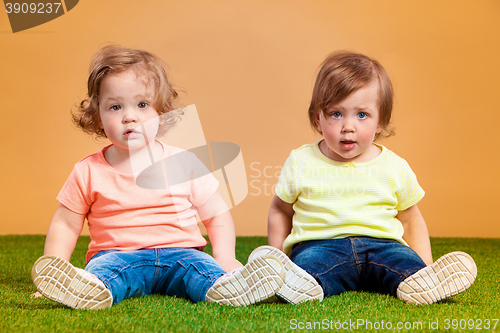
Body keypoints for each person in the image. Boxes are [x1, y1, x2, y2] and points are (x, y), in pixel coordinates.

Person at [31, 45, 290, 309]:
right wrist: (55, 268)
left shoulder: (184, 162)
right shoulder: (88, 171)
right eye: (115, 107)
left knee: (203, 272)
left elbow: (216, 214)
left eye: (142, 105)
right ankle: (86, 289)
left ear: (161, 112)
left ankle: (225, 286)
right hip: (118, 256)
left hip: (183, 254)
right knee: (105, 273)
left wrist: (225, 257)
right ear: (98, 117)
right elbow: (65, 223)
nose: (129, 117)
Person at [250, 51, 477, 305]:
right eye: (336, 114)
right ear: (318, 118)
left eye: (362, 115)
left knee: (402, 263)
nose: (348, 126)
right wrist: (281, 256)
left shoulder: (394, 166)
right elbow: (280, 210)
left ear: (381, 121)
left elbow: (411, 219)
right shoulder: (301, 162)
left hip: (383, 246)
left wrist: (425, 264)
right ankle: (291, 281)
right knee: (308, 268)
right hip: (321, 246)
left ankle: (423, 280)